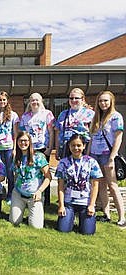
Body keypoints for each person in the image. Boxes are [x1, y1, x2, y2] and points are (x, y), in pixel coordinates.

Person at [89, 90, 125, 228]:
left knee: (112, 185)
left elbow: (118, 137)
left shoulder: (116, 117)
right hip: (95, 154)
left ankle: (122, 217)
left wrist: (112, 156)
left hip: (107, 154)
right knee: (101, 185)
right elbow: (91, 138)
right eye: (100, 101)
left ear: (111, 102)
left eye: (105, 101)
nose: (103, 103)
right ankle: (106, 214)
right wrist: (88, 154)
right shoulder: (97, 117)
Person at [56, 134, 103, 235]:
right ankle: (69, 218)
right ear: (69, 146)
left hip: (85, 203)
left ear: (84, 146)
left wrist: (91, 205)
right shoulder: (63, 163)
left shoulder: (91, 162)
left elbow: (95, 185)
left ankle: (82, 220)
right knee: (63, 230)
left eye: (79, 145)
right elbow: (60, 186)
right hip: (69, 202)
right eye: (73, 145)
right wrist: (61, 205)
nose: (76, 148)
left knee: (88, 232)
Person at [9, 131, 51, 229]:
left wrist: (40, 191)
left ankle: (33, 213)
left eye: (25, 141)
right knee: (14, 221)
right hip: (19, 194)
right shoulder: (16, 157)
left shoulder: (39, 157)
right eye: (20, 141)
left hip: (35, 196)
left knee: (36, 226)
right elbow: (16, 175)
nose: (23, 143)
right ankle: (19, 209)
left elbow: (48, 177)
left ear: (30, 142)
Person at [19, 92, 54, 206]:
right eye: (32, 100)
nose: (35, 102)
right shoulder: (25, 116)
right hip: (30, 149)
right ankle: (29, 195)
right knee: (31, 174)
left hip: (43, 148)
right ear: (29, 102)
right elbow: (22, 133)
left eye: (37, 100)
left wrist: (50, 148)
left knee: (45, 174)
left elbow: (51, 132)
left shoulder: (47, 114)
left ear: (41, 101)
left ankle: (45, 200)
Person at [55, 88, 94, 160]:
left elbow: (93, 134)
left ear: (82, 99)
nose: (73, 100)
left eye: (76, 98)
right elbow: (57, 132)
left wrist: (88, 152)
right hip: (65, 148)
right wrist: (57, 150)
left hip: (82, 148)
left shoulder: (90, 114)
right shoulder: (63, 114)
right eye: (71, 98)